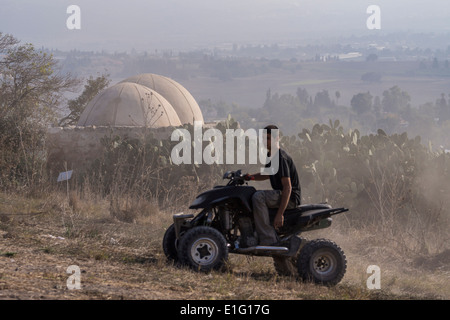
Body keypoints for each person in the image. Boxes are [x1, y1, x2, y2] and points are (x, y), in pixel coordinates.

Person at [244, 125, 301, 246]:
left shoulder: (280, 157)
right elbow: (267, 174)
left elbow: (288, 187)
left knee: (258, 196)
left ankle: (268, 239)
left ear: (277, 139)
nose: (265, 141)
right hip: (282, 194)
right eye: (264, 138)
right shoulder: (271, 155)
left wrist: (280, 214)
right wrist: (250, 177)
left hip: (290, 198)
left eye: (268, 138)